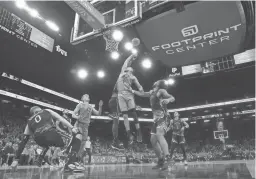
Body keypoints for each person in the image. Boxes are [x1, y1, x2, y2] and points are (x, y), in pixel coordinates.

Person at [11, 106, 84, 172]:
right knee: (78, 135)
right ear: (39, 109)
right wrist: (72, 127)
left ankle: (40, 158)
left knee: (47, 143)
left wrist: (16, 159)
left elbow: (24, 140)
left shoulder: (29, 122)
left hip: (38, 140)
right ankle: (70, 162)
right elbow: (60, 118)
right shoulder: (46, 110)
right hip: (50, 133)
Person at [131, 80, 175, 170]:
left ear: (159, 84)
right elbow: (142, 94)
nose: (156, 81)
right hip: (156, 119)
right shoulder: (152, 92)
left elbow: (172, 97)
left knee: (159, 134)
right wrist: (132, 91)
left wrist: (168, 100)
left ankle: (169, 159)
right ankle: (161, 160)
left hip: (164, 116)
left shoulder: (161, 91)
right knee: (153, 140)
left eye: (158, 81)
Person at [116, 53, 144, 144]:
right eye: (128, 69)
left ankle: (138, 131)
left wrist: (139, 89)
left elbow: (140, 87)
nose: (128, 69)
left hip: (129, 94)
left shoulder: (133, 77)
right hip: (120, 95)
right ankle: (129, 134)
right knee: (124, 115)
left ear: (131, 71)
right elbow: (126, 61)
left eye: (130, 70)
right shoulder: (122, 72)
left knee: (133, 112)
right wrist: (132, 55)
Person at [72, 94, 103, 161]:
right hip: (79, 124)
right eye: (85, 96)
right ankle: (72, 157)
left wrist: (100, 106)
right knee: (78, 141)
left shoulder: (90, 107)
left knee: (83, 143)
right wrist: (78, 117)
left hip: (86, 126)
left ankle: (77, 158)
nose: (87, 96)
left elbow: (98, 114)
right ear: (82, 98)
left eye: (88, 96)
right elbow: (73, 114)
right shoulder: (80, 105)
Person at [108, 84, 124, 150]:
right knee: (116, 122)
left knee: (116, 122)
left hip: (114, 101)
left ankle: (115, 141)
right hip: (115, 101)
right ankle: (115, 141)